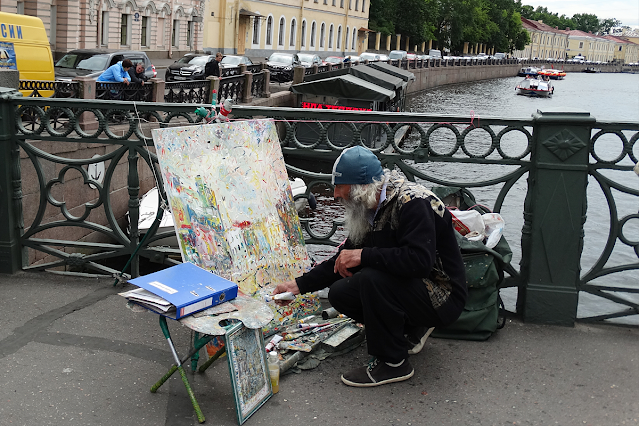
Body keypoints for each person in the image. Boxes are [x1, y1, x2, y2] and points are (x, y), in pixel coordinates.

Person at [273, 146, 467, 387]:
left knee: (371, 278)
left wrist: (364, 256)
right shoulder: (371, 205)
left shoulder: (413, 203)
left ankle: (393, 363)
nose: (335, 195)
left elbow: (419, 261)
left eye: (339, 187)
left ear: (360, 187)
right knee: (340, 293)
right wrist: (297, 286)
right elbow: (343, 258)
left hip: (442, 295)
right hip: (416, 288)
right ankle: (409, 329)